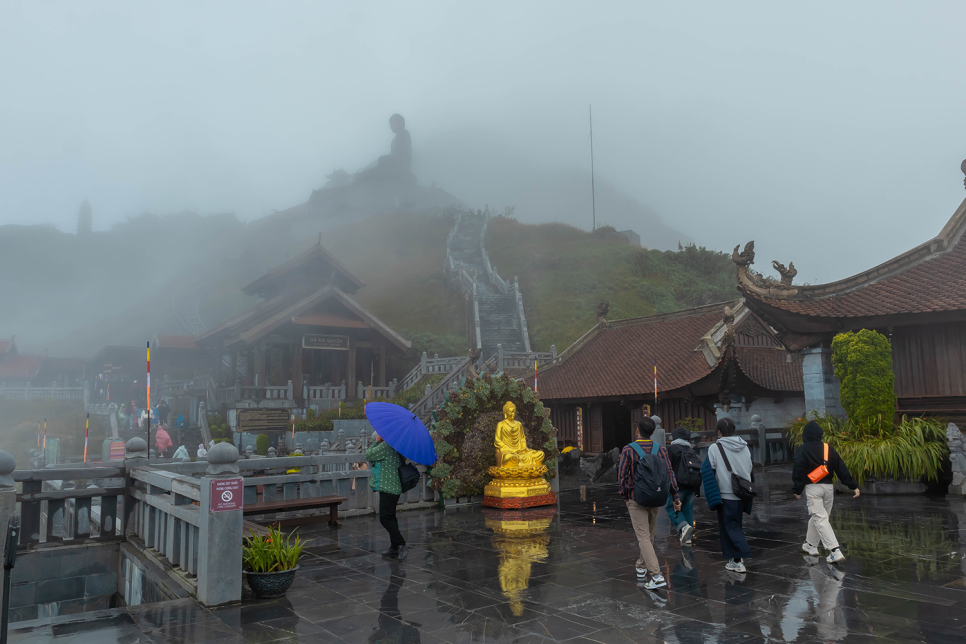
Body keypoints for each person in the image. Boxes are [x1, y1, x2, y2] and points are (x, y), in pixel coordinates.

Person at [618, 417, 681, 589]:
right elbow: (669, 473)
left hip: (636, 498)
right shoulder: (660, 449)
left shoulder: (628, 450)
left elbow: (623, 477)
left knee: (644, 537)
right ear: (653, 433)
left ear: (637, 430)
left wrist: (626, 497)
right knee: (649, 536)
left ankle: (656, 575)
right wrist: (675, 497)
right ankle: (641, 566)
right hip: (656, 497)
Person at [792, 420, 860, 564]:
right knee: (820, 518)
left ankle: (834, 550)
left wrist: (797, 490)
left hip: (812, 488)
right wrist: (853, 485)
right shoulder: (827, 448)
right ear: (819, 434)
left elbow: (798, 470)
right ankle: (810, 545)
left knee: (820, 518)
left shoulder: (803, 449)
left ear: (805, 435)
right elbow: (841, 468)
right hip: (828, 488)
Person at [706, 417, 753, 573]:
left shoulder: (715, 448)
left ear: (719, 432)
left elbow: (710, 468)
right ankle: (735, 559)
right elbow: (750, 467)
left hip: (726, 492)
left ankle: (740, 557)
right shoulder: (744, 446)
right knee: (735, 524)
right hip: (743, 491)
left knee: (729, 526)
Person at [366, 431, 407, 560]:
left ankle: (401, 544)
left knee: (385, 518)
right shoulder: (397, 446)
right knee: (391, 517)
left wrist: (377, 441)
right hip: (394, 487)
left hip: (388, 488)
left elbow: (369, 455)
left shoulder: (386, 446)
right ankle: (394, 547)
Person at [666, 426, 700, 545]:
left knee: (672, 507)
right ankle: (687, 537)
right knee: (687, 509)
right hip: (692, 485)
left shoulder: (671, 449)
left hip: (678, 485)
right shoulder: (691, 451)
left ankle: (683, 526)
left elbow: (667, 468)